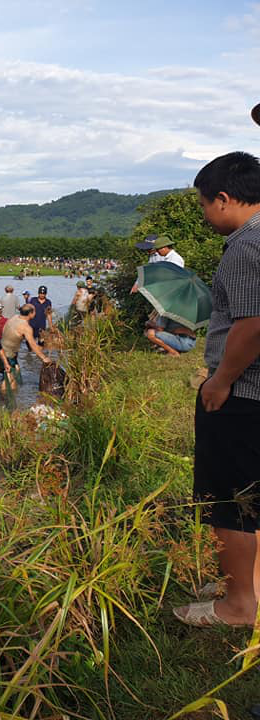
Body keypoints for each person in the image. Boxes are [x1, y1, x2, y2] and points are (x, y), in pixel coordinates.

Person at [174, 151, 260, 628]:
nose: (205, 215)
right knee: (253, 494)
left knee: (227, 500)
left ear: (224, 199)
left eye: (206, 205)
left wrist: (220, 381)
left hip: (243, 392)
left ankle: (237, 606)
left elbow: (252, 324)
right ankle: (247, 586)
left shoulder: (248, 245)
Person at [0, 304, 52, 389]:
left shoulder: (14, 317)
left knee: (14, 372)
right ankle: (4, 398)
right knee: (9, 379)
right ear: (31, 313)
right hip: (8, 353)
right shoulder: (26, 327)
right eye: (34, 311)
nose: (36, 312)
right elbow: (33, 345)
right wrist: (44, 358)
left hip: (2, 349)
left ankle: (15, 395)